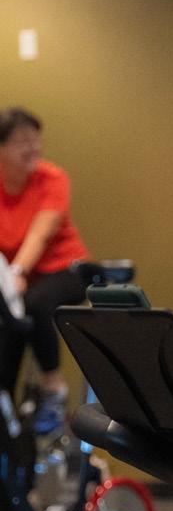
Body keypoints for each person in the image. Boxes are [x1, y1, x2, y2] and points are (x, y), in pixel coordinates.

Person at [0, 107, 90, 434]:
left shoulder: (51, 179)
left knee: (37, 303)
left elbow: (41, 233)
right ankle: (7, 416)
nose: (33, 148)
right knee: (9, 327)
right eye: (23, 142)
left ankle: (53, 387)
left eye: (35, 140)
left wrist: (17, 271)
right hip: (17, 281)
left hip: (65, 270)